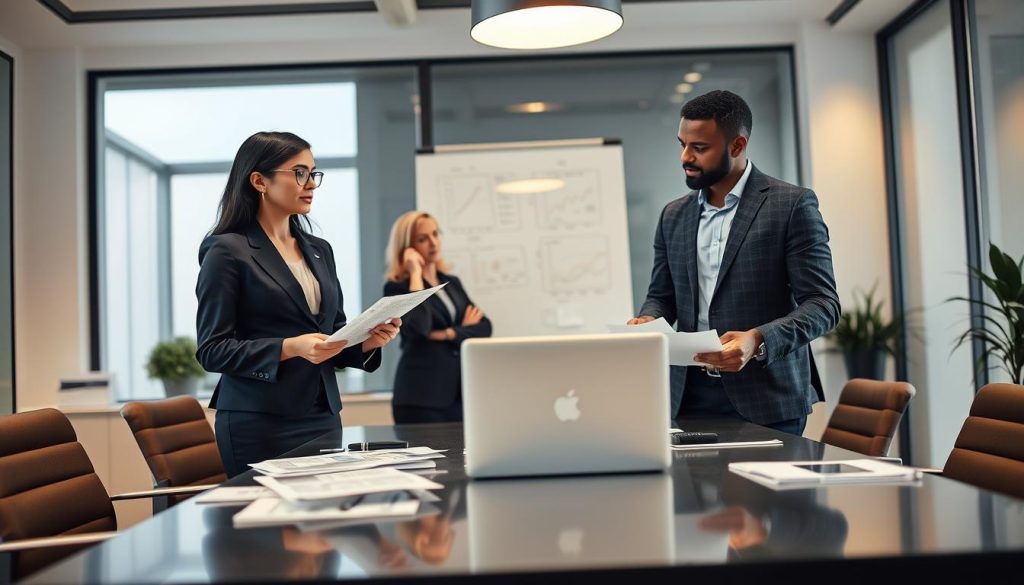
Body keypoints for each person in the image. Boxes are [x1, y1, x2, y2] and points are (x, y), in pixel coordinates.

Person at [629, 90, 840, 436]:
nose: (686, 157)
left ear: (737, 146)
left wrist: (757, 340)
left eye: (699, 148)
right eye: (682, 144)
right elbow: (661, 296)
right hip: (687, 396)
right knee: (690, 491)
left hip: (767, 397)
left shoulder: (792, 205)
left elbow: (823, 305)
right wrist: (649, 318)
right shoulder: (673, 216)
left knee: (764, 494)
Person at [196, 131, 401, 477]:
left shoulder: (319, 249)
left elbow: (331, 333)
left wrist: (367, 341)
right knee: (271, 529)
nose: (311, 184)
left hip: (322, 416)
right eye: (299, 173)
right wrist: (289, 347)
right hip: (259, 422)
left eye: (313, 173)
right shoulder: (227, 251)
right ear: (259, 181)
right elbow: (212, 349)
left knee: (322, 527)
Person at [383, 211, 492, 424]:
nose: (433, 243)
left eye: (435, 234)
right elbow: (419, 329)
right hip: (420, 396)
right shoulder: (396, 288)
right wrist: (415, 275)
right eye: (423, 239)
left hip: (458, 395)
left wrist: (447, 333)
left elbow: (485, 327)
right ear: (407, 248)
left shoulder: (451, 282)